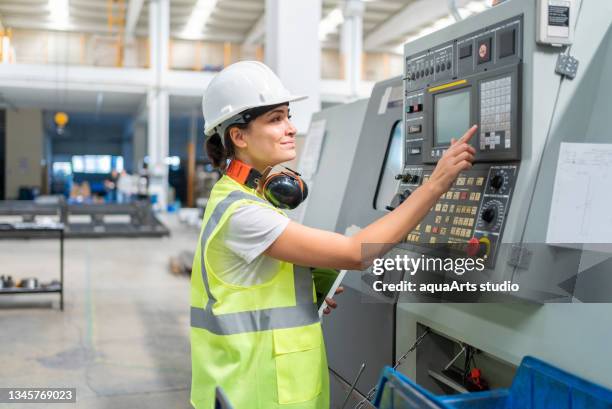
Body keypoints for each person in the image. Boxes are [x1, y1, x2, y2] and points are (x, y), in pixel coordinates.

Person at [191, 61, 477, 409]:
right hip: (256, 393)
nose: (291, 128)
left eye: (288, 116)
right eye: (275, 119)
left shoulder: (243, 197)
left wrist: (304, 289)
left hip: (266, 386)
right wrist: (435, 185)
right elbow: (356, 252)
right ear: (238, 136)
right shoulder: (243, 213)